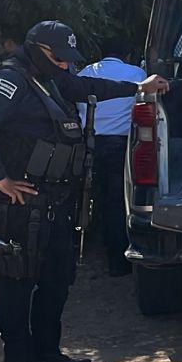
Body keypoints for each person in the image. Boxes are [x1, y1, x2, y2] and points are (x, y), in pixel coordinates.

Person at [0, 21, 170, 362]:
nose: (64, 65)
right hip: (21, 202)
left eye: (68, 60)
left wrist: (139, 88)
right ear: (36, 48)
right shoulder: (12, 80)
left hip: (54, 200)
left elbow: (90, 87)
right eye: (58, 58)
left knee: (58, 276)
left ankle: (47, 352)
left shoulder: (52, 77)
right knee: (18, 280)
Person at [77, 41, 146, 276]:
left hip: (89, 142)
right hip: (120, 145)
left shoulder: (85, 73)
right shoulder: (137, 73)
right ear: (126, 55)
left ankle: (82, 250)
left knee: (86, 197)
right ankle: (117, 261)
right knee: (116, 201)